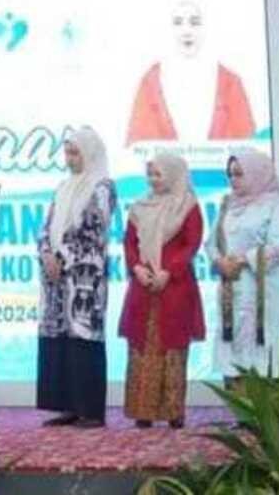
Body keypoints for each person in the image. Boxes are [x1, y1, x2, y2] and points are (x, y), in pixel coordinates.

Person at [36, 127, 117, 428]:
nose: (69, 159)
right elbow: (46, 227)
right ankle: (68, 406)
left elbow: (92, 232)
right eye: (67, 153)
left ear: (89, 153)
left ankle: (91, 411)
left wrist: (61, 258)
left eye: (75, 153)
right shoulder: (63, 187)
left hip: (84, 278)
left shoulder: (102, 187)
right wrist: (46, 254)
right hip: (55, 280)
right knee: (60, 340)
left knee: (84, 338)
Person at [119, 153, 205, 429]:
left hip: (174, 287)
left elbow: (191, 243)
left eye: (158, 174)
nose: (153, 180)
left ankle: (173, 412)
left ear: (173, 174)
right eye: (150, 175)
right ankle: (142, 411)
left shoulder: (187, 206)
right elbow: (129, 243)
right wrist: (136, 267)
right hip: (143, 287)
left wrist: (169, 270)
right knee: (142, 347)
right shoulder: (139, 206)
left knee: (173, 348)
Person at [206, 151, 279, 390]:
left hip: (262, 292)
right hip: (231, 289)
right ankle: (238, 404)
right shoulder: (227, 204)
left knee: (261, 352)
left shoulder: (273, 205)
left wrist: (244, 259)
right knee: (233, 351)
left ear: (256, 173)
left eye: (239, 174)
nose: (233, 180)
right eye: (230, 175)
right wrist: (219, 261)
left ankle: (263, 408)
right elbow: (212, 243)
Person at [126, 1, 255, 145]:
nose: (187, 31)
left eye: (194, 23)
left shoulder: (230, 83)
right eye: (178, 23)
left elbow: (248, 145)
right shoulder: (150, 83)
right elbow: (136, 147)